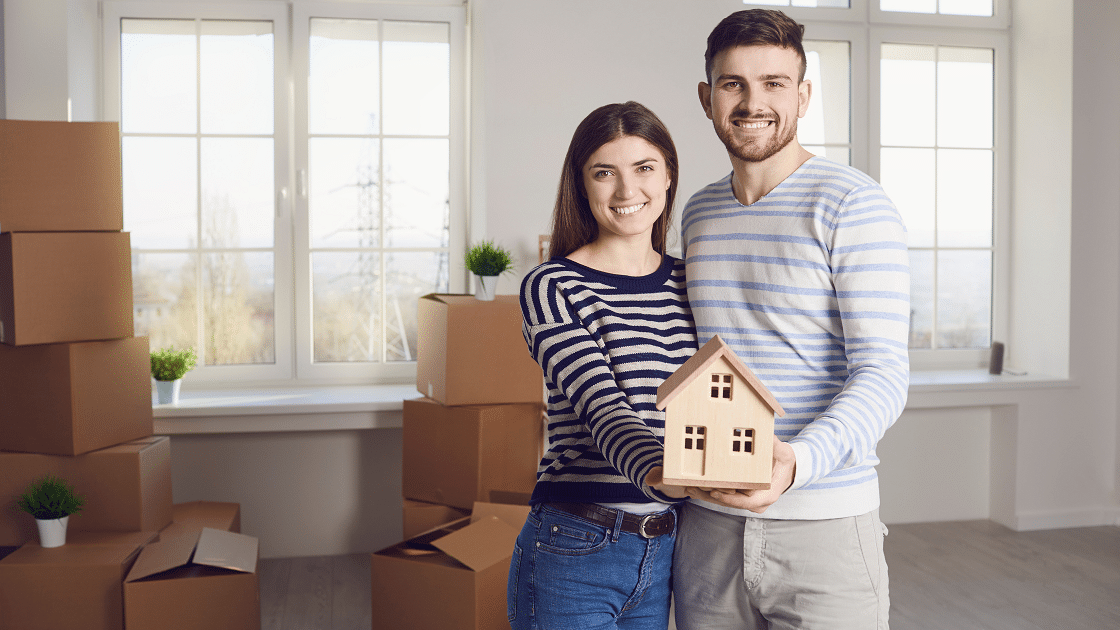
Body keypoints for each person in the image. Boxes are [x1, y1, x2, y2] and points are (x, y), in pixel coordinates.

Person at [673, 9, 910, 630]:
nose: (754, 102)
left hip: (825, 528)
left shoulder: (853, 203)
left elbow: (884, 374)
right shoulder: (697, 214)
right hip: (708, 533)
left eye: (775, 83)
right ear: (708, 98)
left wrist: (798, 461)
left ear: (803, 95)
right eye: (733, 84)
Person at [507, 101, 696, 630]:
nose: (626, 191)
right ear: (581, 185)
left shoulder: (693, 282)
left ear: (668, 176)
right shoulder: (552, 286)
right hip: (574, 546)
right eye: (604, 172)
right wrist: (667, 475)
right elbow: (604, 410)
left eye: (644, 168)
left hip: (667, 547)